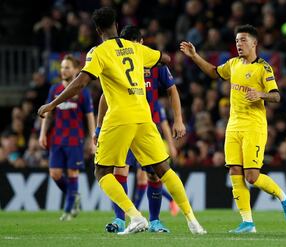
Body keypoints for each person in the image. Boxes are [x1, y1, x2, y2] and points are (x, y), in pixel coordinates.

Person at [38, 7, 206, 235]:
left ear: (98, 30)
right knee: (163, 168)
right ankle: (192, 221)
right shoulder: (137, 48)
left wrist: (51, 104)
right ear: (116, 25)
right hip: (144, 116)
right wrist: (151, 58)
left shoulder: (99, 52)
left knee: (102, 172)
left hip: (119, 117)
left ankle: (135, 217)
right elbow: (165, 58)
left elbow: (80, 83)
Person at [180, 24, 286, 233]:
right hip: (233, 125)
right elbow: (215, 73)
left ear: (254, 43)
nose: (239, 44)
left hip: (254, 126)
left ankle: (283, 197)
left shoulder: (264, 68)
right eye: (236, 41)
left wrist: (261, 95)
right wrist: (194, 57)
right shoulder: (233, 64)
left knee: (251, 176)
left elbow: (277, 96)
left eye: (243, 40)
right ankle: (247, 222)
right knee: (235, 170)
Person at [95, 25, 183, 233]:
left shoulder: (155, 62)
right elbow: (104, 97)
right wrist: (98, 128)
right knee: (120, 170)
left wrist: (178, 120)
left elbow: (172, 90)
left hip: (146, 127)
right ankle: (120, 219)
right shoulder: (117, 61)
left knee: (153, 175)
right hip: (124, 124)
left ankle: (154, 220)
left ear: (141, 44)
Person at [39, 54, 96, 221]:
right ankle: (74, 195)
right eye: (62, 67)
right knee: (55, 174)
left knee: (72, 173)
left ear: (76, 70)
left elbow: (89, 115)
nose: (63, 70)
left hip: (74, 138)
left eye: (67, 67)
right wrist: (43, 133)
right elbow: (48, 113)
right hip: (57, 138)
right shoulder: (54, 90)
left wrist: (92, 138)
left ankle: (69, 209)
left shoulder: (83, 92)